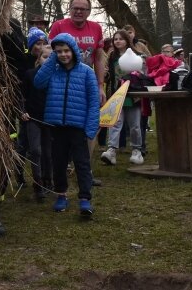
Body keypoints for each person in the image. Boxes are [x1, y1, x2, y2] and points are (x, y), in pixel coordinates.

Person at [33, 33, 100, 217]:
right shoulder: (52, 70)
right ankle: (61, 193)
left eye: (66, 50)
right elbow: (38, 83)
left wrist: (91, 127)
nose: (63, 54)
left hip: (78, 127)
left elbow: (94, 102)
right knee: (59, 163)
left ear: (73, 51)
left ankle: (85, 198)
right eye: (58, 51)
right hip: (56, 126)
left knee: (82, 164)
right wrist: (52, 58)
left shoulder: (86, 72)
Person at [48, 0, 106, 104]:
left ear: (89, 12)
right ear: (69, 9)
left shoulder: (96, 28)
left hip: (86, 79)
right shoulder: (58, 26)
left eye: (83, 9)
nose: (78, 11)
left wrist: (100, 86)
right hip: (62, 80)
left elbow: (98, 60)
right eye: (75, 8)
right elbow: (50, 55)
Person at [100, 30, 145, 167]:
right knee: (115, 123)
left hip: (133, 95)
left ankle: (137, 150)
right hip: (116, 95)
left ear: (127, 40)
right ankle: (112, 150)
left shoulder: (137, 56)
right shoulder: (112, 56)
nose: (117, 41)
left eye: (121, 39)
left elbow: (143, 74)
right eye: (115, 39)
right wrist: (105, 75)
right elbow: (109, 75)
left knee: (135, 125)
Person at [19, 30, 53, 201]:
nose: (47, 60)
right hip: (32, 118)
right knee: (35, 150)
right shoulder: (30, 75)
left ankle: (49, 182)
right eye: (44, 57)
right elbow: (22, 96)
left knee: (48, 151)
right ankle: (37, 183)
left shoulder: (56, 77)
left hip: (50, 119)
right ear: (39, 59)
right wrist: (22, 111)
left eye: (51, 57)